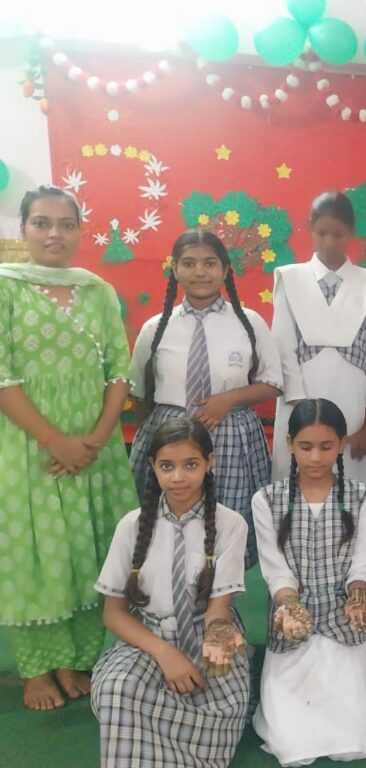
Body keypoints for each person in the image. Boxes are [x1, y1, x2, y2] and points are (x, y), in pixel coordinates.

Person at [0, 186, 139, 711]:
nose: (54, 233)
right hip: (27, 450)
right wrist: (55, 440)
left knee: (90, 549)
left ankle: (76, 658)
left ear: (80, 231)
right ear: (23, 229)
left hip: (95, 452)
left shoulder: (98, 291)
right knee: (36, 553)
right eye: (41, 223)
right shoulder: (5, 288)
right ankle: (37, 668)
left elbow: (119, 372)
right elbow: (2, 377)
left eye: (65, 224)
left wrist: (95, 440)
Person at [91, 418, 249, 768]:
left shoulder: (231, 524)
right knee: (118, 689)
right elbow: (113, 613)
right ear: (153, 466)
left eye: (190, 465)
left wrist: (217, 637)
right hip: (147, 638)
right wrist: (165, 653)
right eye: (166, 466)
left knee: (223, 706)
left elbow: (219, 610)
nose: (178, 477)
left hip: (205, 632)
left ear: (209, 462)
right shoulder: (132, 525)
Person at [130, 229, 282, 569]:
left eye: (210, 263)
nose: (200, 272)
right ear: (174, 269)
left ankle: (222, 590)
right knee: (166, 524)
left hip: (230, 437)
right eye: (189, 263)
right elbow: (140, 393)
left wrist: (228, 399)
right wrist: (151, 441)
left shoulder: (249, 323)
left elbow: (272, 383)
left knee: (225, 525)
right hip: (168, 437)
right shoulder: (155, 328)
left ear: (225, 270)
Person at [252, 398, 366, 765]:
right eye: (305, 446)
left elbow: (362, 564)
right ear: (289, 444)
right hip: (292, 619)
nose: (315, 457)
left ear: (341, 445)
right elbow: (275, 569)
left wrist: (358, 597)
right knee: (291, 742)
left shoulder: (361, 496)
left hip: (343, 617)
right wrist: (290, 608)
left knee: (352, 739)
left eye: (326, 446)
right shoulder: (266, 500)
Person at [272, 191, 366, 487]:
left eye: (338, 234)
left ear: (351, 232)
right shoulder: (289, 278)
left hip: (353, 399)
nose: (330, 243)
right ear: (310, 228)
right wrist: (302, 409)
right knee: (295, 482)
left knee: (350, 486)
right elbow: (282, 349)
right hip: (299, 395)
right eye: (322, 233)